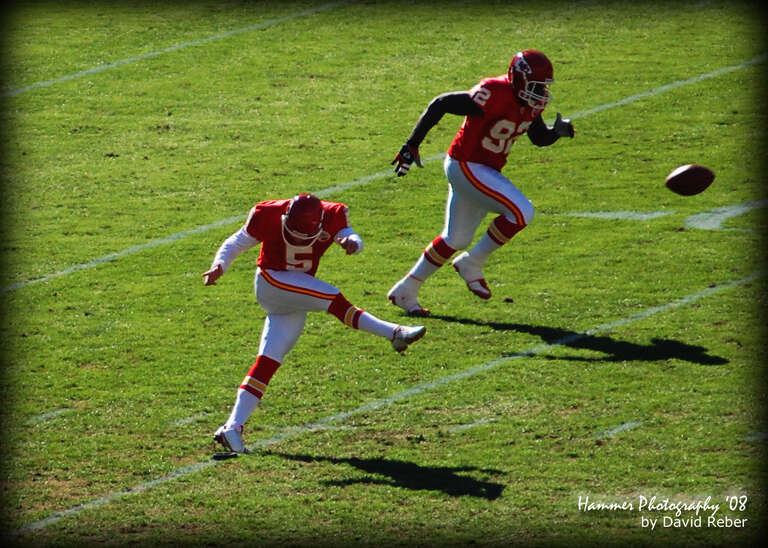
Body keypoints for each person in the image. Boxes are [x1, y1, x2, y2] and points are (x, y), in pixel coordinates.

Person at [202, 193, 426, 453]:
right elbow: (236, 242)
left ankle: (232, 428)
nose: (298, 239)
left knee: (268, 361)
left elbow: (352, 235)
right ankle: (394, 332)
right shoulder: (268, 214)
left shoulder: (332, 215)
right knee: (331, 297)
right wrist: (220, 264)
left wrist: (351, 241)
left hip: (295, 295)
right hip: (272, 282)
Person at [388, 49, 575, 316]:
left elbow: (537, 137)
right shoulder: (493, 92)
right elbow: (441, 103)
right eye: (535, 85)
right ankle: (472, 263)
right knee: (522, 211)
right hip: (467, 164)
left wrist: (556, 133)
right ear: (518, 79)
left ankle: (406, 290)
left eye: (543, 86)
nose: (540, 92)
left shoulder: (533, 101)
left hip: (483, 170)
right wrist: (412, 144)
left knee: (456, 238)